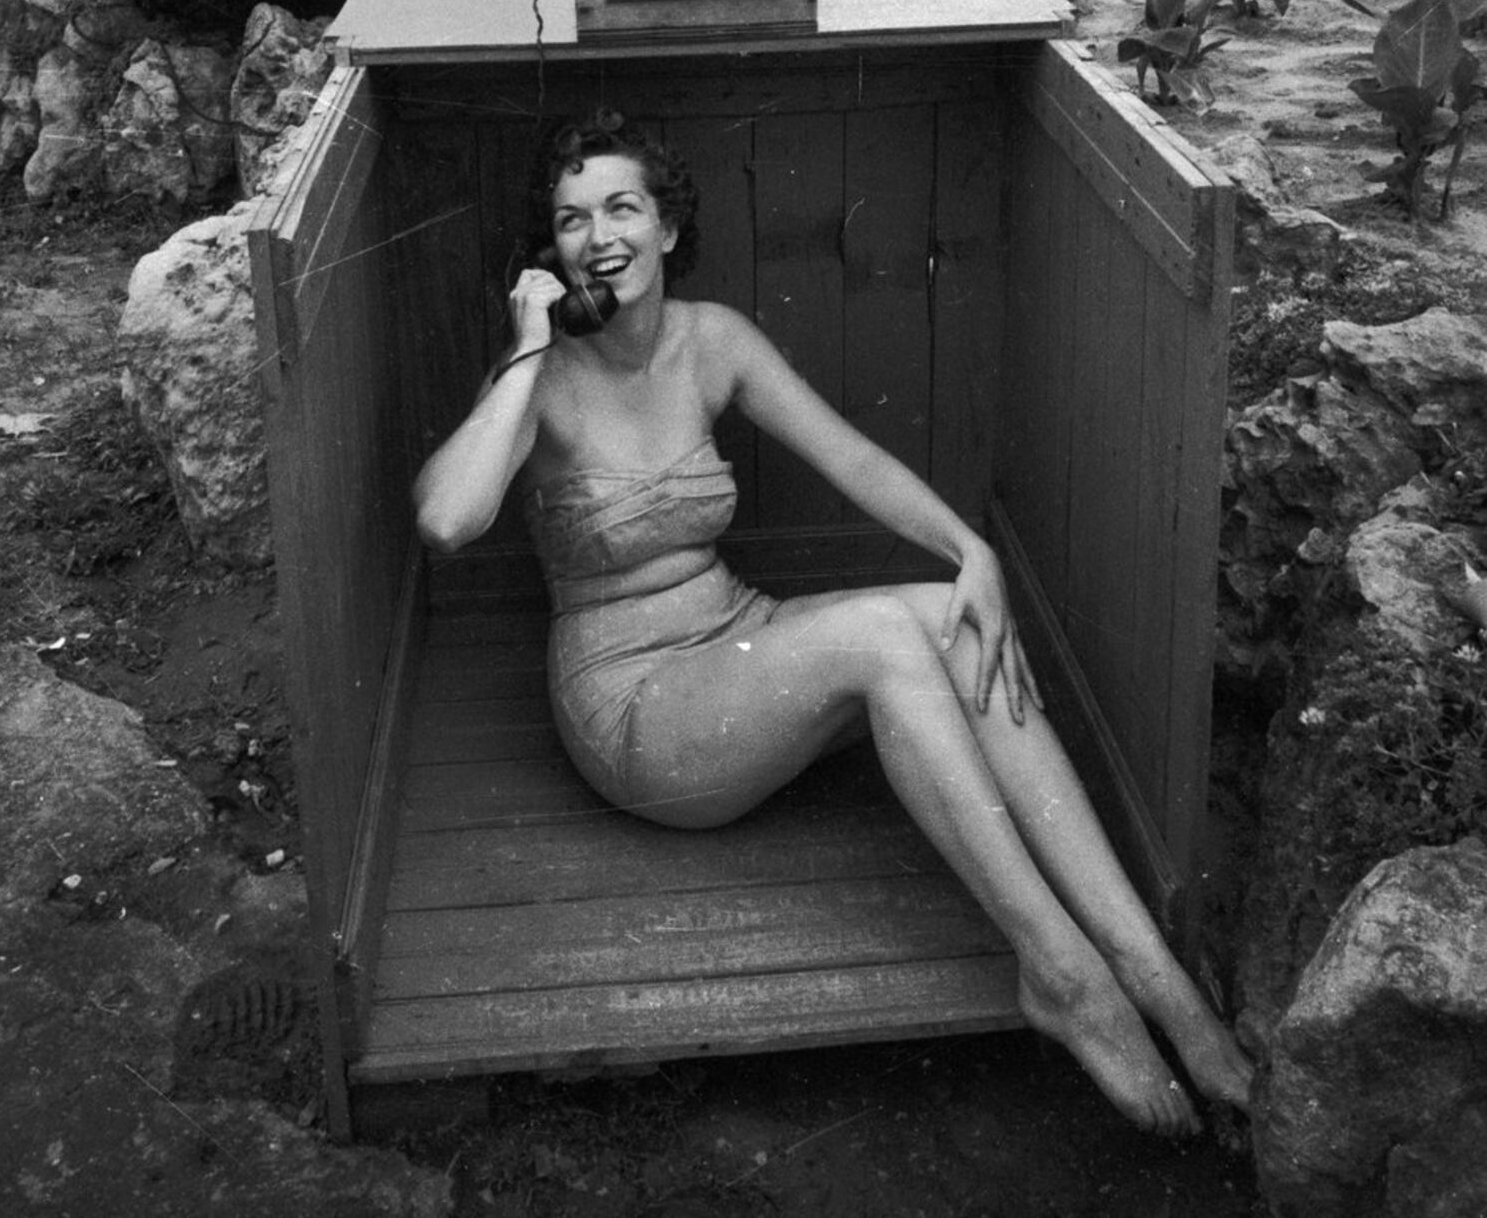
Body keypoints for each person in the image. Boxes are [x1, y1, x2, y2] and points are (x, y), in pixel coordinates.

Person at [413, 111, 1252, 1137]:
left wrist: (969, 552)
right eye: (571, 219)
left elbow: (849, 458)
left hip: (736, 638)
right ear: (550, 251)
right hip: (635, 708)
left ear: (667, 228)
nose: (599, 236)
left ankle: (1149, 971)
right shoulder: (541, 383)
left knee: (949, 615)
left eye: (621, 207)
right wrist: (525, 347)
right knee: (882, 639)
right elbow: (449, 518)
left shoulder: (711, 340)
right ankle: (1060, 972)